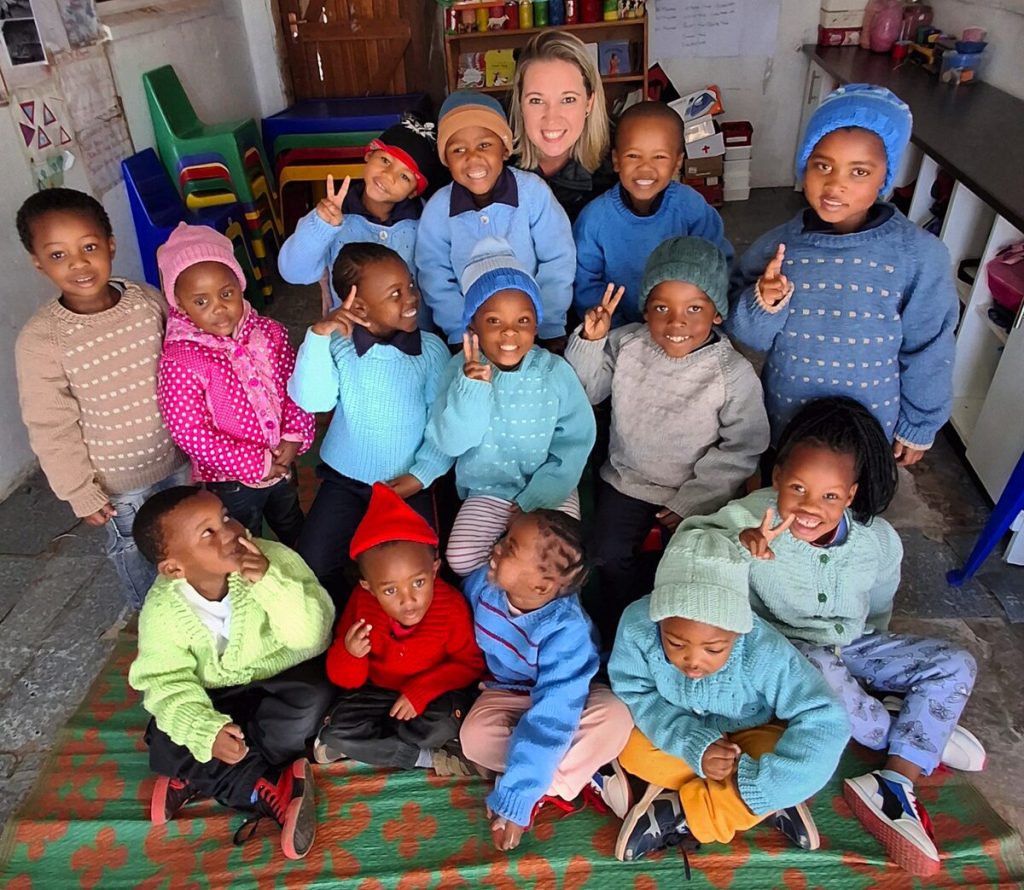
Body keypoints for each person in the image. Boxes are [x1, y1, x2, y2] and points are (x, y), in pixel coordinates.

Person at [680, 397, 984, 877]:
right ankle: (912, 732)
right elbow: (692, 548)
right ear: (777, 476)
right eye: (797, 487)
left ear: (851, 494)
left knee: (956, 663)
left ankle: (894, 779)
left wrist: (876, 662)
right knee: (820, 665)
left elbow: (880, 606)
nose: (808, 507)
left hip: (853, 646)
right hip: (780, 652)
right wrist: (738, 549)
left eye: (829, 496)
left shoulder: (877, 539)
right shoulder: (748, 517)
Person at [726, 85, 958, 467]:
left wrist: (920, 422)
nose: (836, 184)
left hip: (870, 427)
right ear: (804, 164)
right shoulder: (779, 247)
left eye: (860, 172)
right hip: (786, 420)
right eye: (823, 165)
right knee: (783, 505)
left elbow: (930, 346)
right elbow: (748, 335)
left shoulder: (917, 255)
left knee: (853, 511)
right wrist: (763, 302)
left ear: (886, 176)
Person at [565, 237, 769, 645]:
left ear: (717, 314)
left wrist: (692, 500)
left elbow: (744, 445)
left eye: (694, 308)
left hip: (696, 489)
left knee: (693, 564)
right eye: (662, 308)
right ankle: (625, 633)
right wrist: (590, 341)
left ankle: (677, 632)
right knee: (604, 555)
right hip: (628, 481)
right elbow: (584, 391)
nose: (677, 322)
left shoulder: (730, 371)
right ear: (645, 310)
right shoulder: (627, 343)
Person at [608, 530, 849, 863]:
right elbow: (636, 694)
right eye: (676, 644)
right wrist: (697, 747)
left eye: (714, 648)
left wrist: (767, 781)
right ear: (658, 619)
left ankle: (683, 813)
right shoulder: (637, 625)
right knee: (630, 750)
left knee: (790, 751)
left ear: (738, 630)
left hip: (748, 739)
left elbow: (826, 717)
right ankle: (760, 804)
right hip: (681, 737)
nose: (693, 661)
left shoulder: (763, 648)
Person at [128, 486, 335, 860]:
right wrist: (206, 731)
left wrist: (270, 582)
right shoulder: (162, 611)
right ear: (175, 568)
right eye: (207, 533)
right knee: (166, 723)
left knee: (315, 698)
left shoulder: (273, 559)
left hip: (281, 677)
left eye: (224, 516)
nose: (229, 532)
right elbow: (165, 682)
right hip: (216, 696)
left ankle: (198, 773)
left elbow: (314, 635)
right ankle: (263, 785)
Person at [14, 188, 190, 609]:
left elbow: (184, 363)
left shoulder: (146, 300)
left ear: (110, 244)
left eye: (89, 246)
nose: (78, 263)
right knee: (134, 549)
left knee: (185, 537)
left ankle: (198, 608)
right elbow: (49, 424)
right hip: (118, 484)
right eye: (58, 255)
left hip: (178, 457)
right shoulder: (41, 341)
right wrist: (80, 490)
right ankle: (154, 621)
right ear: (38, 262)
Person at [399, 239, 596, 576]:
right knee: (460, 558)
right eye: (493, 321)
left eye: (522, 321)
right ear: (472, 327)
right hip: (489, 489)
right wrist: (472, 389)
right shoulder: (459, 370)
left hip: (550, 487)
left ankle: (540, 609)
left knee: (560, 559)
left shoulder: (553, 371)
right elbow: (451, 443)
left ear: (536, 326)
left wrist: (538, 497)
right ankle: (493, 608)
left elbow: (575, 442)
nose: (509, 332)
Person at [460, 509, 635, 851]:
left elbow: (554, 714)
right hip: (510, 690)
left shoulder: (566, 629)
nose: (494, 549)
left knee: (616, 715)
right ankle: (575, 775)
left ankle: (527, 789)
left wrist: (515, 797)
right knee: (473, 737)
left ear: (541, 586)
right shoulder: (484, 586)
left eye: (509, 548)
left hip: (571, 697)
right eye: (502, 540)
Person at [287, 243, 449, 603]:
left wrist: (422, 474)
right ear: (359, 307)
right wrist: (316, 337)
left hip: (408, 483)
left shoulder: (431, 351)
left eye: (409, 286)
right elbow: (313, 400)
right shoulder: (337, 346)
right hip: (345, 480)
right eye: (395, 294)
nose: (410, 298)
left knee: (423, 564)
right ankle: (351, 616)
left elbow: (443, 425)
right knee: (313, 562)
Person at [156, 223, 315, 547]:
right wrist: (256, 463)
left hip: (283, 462)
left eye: (226, 293)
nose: (218, 307)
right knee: (243, 540)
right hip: (230, 482)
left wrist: (294, 436)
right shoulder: (181, 359)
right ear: (181, 306)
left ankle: (306, 580)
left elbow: (297, 387)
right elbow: (190, 432)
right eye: (201, 301)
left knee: (292, 525)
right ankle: (257, 592)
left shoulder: (270, 334)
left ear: (240, 286)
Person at [315, 483, 485, 774]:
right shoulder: (361, 605)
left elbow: (470, 664)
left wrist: (421, 691)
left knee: (443, 721)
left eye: (418, 583)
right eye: (390, 591)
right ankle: (426, 758)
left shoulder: (451, 607)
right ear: (368, 588)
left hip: (431, 692)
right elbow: (346, 681)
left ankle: (376, 746)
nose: (409, 601)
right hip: (380, 692)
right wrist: (349, 652)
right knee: (338, 729)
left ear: (434, 570)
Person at [414, 92, 575, 348]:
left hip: (531, 329)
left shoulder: (533, 193)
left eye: (484, 145)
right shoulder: (438, 209)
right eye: (458, 149)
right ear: (446, 160)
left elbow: (558, 257)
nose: (472, 157)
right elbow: (433, 273)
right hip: (471, 335)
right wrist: (459, 330)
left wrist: (548, 323)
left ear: (504, 149)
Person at [572, 102, 732, 327]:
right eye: (633, 156)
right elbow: (586, 283)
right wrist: (616, 327)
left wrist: (703, 321)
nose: (645, 168)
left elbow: (718, 266)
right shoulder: (595, 219)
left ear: (678, 162)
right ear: (616, 160)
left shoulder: (691, 208)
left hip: (684, 326)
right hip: (620, 329)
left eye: (659, 157)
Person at [277, 116, 446, 317]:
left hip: (412, 333)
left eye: (404, 176)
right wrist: (320, 227)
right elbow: (293, 272)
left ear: (413, 192)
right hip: (349, 335)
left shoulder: (426, 220)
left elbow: (438, 277)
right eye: (385, 160)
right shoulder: (332, 216)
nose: (388, 175)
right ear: (369, 155)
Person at [508, 30, 617, 223]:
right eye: (536, 100)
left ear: (589, 102)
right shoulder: (495, 159)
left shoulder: (619, 166)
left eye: (568, 99)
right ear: (520, 103)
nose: (552, 119)